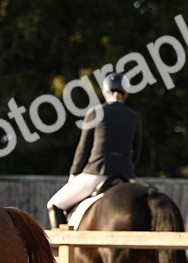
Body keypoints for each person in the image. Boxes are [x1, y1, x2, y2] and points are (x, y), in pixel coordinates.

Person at [46, 72, 141, 226]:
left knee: (54, 205)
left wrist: (74, 174)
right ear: (126, 94)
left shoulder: (95, 112)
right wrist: (128, 171)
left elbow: (83, 148)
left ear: (105, 92)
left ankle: (59, 249)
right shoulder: (134, 116)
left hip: (97, 173)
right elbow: (136, 152)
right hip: (126, 175)